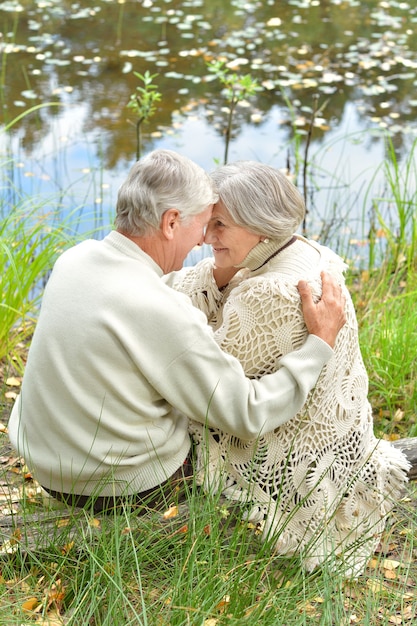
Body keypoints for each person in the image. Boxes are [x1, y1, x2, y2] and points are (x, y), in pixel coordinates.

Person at [8, 149, 346, 515]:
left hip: (44, 461)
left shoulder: (75, 259)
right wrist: (319, 344)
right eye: (201, 224)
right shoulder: (158, 310)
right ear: (170, 222)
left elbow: (143, 286)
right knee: (225, 437)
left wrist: (222, 274)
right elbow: (248, 414)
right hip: (116, 486)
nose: (202, 240)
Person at [168, 160, 410, 576]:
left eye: (219, 225)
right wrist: (219, 275)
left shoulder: (275, 293)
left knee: (152, 406)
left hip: (287, 443)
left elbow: (201, 383)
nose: (206, 237)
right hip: (310, 422)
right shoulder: (300, 250)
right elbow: (190, 284)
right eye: (208, 222)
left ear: (259, 226)